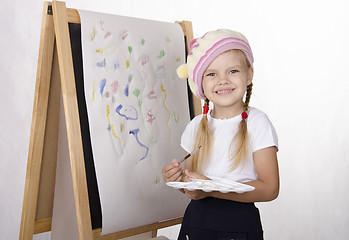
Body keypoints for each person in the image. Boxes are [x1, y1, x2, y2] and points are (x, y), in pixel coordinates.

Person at [162, 29, 279, 240]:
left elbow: (270, 189)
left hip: (239, 226)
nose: (222, 80)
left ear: (249, 74)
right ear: (200, 83)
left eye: (233, 71)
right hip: (196, 223)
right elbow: (193, 188)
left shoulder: (257, 123)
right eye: (212, 74)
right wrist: (179, 180)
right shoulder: (195, 126)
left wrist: (209, 189)